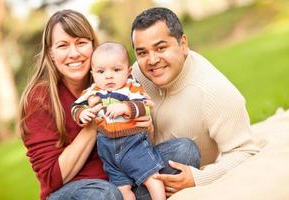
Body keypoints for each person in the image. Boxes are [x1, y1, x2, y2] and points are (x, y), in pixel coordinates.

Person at [18, 9, 200, 200]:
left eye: (81, 43)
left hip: (123, 177)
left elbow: (139, 144)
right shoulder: (39, 98)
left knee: (184, 151)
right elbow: (52, 179)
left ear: (93, 46)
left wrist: (147, 128)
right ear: (51, 53)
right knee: (105, 194)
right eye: (63, 46)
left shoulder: (114, 78)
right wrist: (94, 124)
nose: (74, 53)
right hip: (78, 191)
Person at [131, 7, 260, 197]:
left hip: (168, 174)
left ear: (183, 44)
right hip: (133, 167)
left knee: (185, 150)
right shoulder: (136, 76)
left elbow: (246, 152)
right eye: (142, 53)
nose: (152, 60)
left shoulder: (214, 92)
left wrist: (198, 178)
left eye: (161, 48)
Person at [71, 42, 166, 200]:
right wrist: (82, 113)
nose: (108, 76)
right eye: (101, 71)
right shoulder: (92, 91)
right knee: (121, 189)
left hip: (133, 145)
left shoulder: (131, 87)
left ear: (128, 72)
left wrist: (126, 108)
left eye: (116, 70)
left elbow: (145, 106)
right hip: (107, 150)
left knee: (152, 177)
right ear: (93, 73)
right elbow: (76, 106)